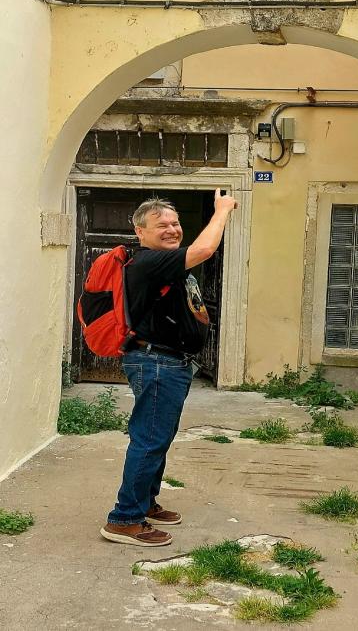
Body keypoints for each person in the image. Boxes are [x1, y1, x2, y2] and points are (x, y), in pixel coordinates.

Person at [100, 189, 237, 546]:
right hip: (156, 362)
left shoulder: (164, 261)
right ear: (140, 232)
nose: (172, 229)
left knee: (157, 436)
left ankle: (144, 502)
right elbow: (204, 250)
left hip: (168, 362)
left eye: (175, 223)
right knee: (149, 439)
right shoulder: (148, 262)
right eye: (161, 225)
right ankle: (124, 519)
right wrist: (222, 210)